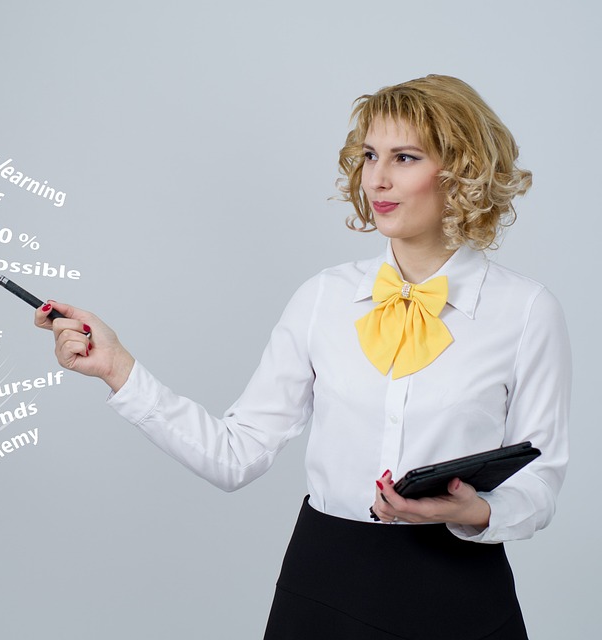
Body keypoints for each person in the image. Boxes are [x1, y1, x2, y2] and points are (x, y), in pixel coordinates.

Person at [34, 75, 570, 640]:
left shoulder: (528, 310)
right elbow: (235, 455)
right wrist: (118, 369)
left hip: (459, 591)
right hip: (326, 582)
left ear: (461, 171)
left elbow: (540, 482)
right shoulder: (323, 298)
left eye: (404, 157)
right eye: (369, 156)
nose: (377, 179)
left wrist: (474, 513)